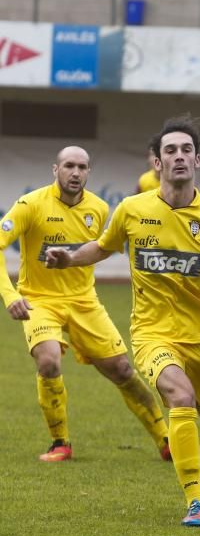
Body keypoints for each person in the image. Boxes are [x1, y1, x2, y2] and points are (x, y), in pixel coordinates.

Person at [46, 115, 200, 527]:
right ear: (157, 164)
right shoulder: (132, 209)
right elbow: (103, 247)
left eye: (185, 151)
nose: (178, 157)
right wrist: (70, 256)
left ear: (197, 160)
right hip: (151, 331)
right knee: (179, 398)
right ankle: (195, 499)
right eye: (169, 151)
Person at [0, 146, 171, 463]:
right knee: (49, 360)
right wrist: (11, 296)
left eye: (82, 167)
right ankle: (60, 443)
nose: (75, 173)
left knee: (122, 370)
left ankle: (165, 440)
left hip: (84, 301)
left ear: (89, 172)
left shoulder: (100, 209)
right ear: (56, 169)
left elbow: (110, 248)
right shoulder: (30, 205)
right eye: (69, 166)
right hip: (40, 301)